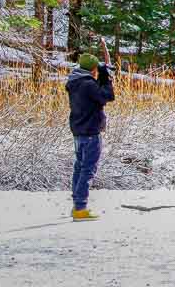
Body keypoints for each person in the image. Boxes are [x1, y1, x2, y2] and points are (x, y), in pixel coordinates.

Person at [66, 37, 114, 221]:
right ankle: (80, 208)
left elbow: (97, 96)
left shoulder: (75, 82)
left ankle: (77, 205)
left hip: (78, 131)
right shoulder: (88, 84)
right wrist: (106, 77)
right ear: (93, 69)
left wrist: (101, 75)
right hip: (90, 132)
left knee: (79, 167)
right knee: (88, 169)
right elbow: (107, 96)